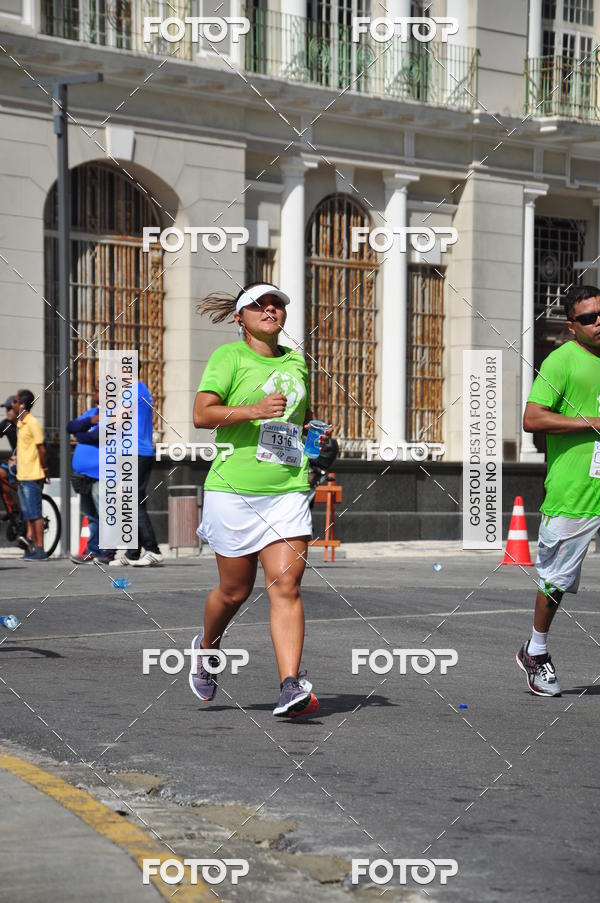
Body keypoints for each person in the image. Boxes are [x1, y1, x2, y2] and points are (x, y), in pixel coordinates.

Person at [190, 281, 332, 718]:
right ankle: (207, 648)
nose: (271, 309)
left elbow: (299, 417)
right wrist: (253, 411)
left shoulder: (297, 362)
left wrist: (316, 438)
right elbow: (201, 414)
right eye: (259, 305)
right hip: (233, 488)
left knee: (286, 586)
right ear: (240, 317)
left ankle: (290, 685)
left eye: (277, 304)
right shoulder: (228, 357)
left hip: (286, 489)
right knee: (234, 592)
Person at [517, 284, 600, 696]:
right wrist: (590, 421)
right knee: (555, 580)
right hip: (574, 491)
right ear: (572, 326)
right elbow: (533, 418)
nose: (597, 322)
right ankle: (536, 650)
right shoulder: (562, 360)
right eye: (587, 318)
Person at [116, 380, 163, 567]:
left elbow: (119, 419)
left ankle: (153, 550)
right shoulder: (141, 389)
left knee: (132, 500)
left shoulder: (133, 389)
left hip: (135, 452)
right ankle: (133, 552)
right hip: (136, 452)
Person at [67, 382, 113, 565]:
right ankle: (93, 551)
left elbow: (95, 437)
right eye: (97, 389)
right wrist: (88, 422)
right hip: (84, 475)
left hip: (102, 473)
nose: (97, 393)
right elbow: (70, 426)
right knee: (92, 516)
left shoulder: (114, 415)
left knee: (104, 514)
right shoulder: (91, 414)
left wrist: (81, 433)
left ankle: (107, 551)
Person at [14, 389, 48, 560]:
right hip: (22, 476)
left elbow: (41, 449)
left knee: (35, 514)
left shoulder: (33, 423)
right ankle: (32, 548)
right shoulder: (21, 423)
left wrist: (45, 469)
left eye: (15, 402)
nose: (11, 406)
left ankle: (40, 549)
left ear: (22, 405)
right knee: (28, 514)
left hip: (33, 475)